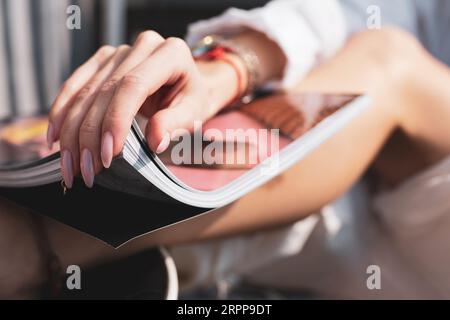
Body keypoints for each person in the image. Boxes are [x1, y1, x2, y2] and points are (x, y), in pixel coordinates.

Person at [1, 0, 450, 298]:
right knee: (319, 144)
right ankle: (87, 256)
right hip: (360, 201)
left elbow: (383, 46)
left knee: (392, 69)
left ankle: (40, 246)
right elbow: (376, 9)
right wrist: (224, 71)